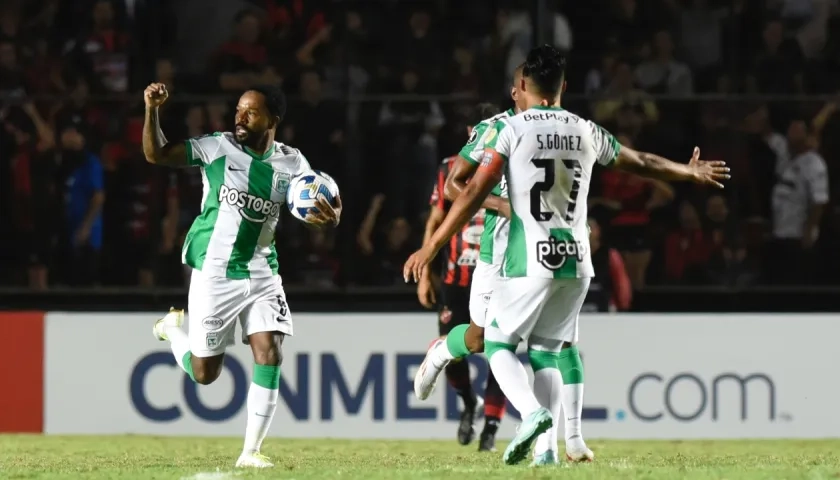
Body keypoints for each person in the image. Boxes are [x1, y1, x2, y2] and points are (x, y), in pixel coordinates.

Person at [404, 44, 729, 466]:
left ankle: (540, 426)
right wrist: (687, 171)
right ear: (564, 87)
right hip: (570, 257)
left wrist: (431, 245)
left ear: (522, 86)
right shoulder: (582, 128)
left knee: (500, 342)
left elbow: (469, 192)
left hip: (526, 254)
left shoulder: (513, 131)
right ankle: (542, 444)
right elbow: (642, 161)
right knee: (533, 348)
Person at [141, 82, 341, 468]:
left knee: (270, 351)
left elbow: (317, 201)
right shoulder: (218, 147)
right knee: (204, 374)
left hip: (263, 270)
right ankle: (172, 331)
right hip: (215, 273)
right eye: (238, 110)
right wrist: (152, 110)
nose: (240, 117)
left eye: (250, 112)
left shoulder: (293, 163)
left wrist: (328, 216)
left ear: (273, 120)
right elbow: (156, 154)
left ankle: (250, 452)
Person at [414, 65, 527, 452]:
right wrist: (428, 271)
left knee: (502, 344)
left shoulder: (516, 160)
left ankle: (492, 429)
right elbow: (436, 218)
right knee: (468, 346)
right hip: (457, 276)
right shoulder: (452, 169)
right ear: (469, 135)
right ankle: (469, 403)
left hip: (503, 264)